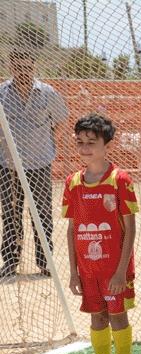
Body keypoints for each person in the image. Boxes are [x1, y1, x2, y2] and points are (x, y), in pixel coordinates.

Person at [62, 114, 137, 354]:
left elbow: (130, 230)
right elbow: (72, 230)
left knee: (117, 317)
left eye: (91, 142)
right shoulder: (72, 183)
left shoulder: (120, 180)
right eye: (80, 142)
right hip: (88, 270)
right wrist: (74, 272)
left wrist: (120, 273)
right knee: (97, 318)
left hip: (115, 270)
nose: (84, 148)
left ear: (107, 145)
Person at [0, 48, 69, 277]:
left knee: (41, 214)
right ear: (12, 68)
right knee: (10, 214)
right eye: (18, 68)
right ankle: (10, 263)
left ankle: (45, 261)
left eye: (27, 67)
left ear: (34, 68)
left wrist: (47, 144)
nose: (23, 72)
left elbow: (61, 122)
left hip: (39, 163)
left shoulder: (47, 93)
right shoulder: (2, 93)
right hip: (8, 166)